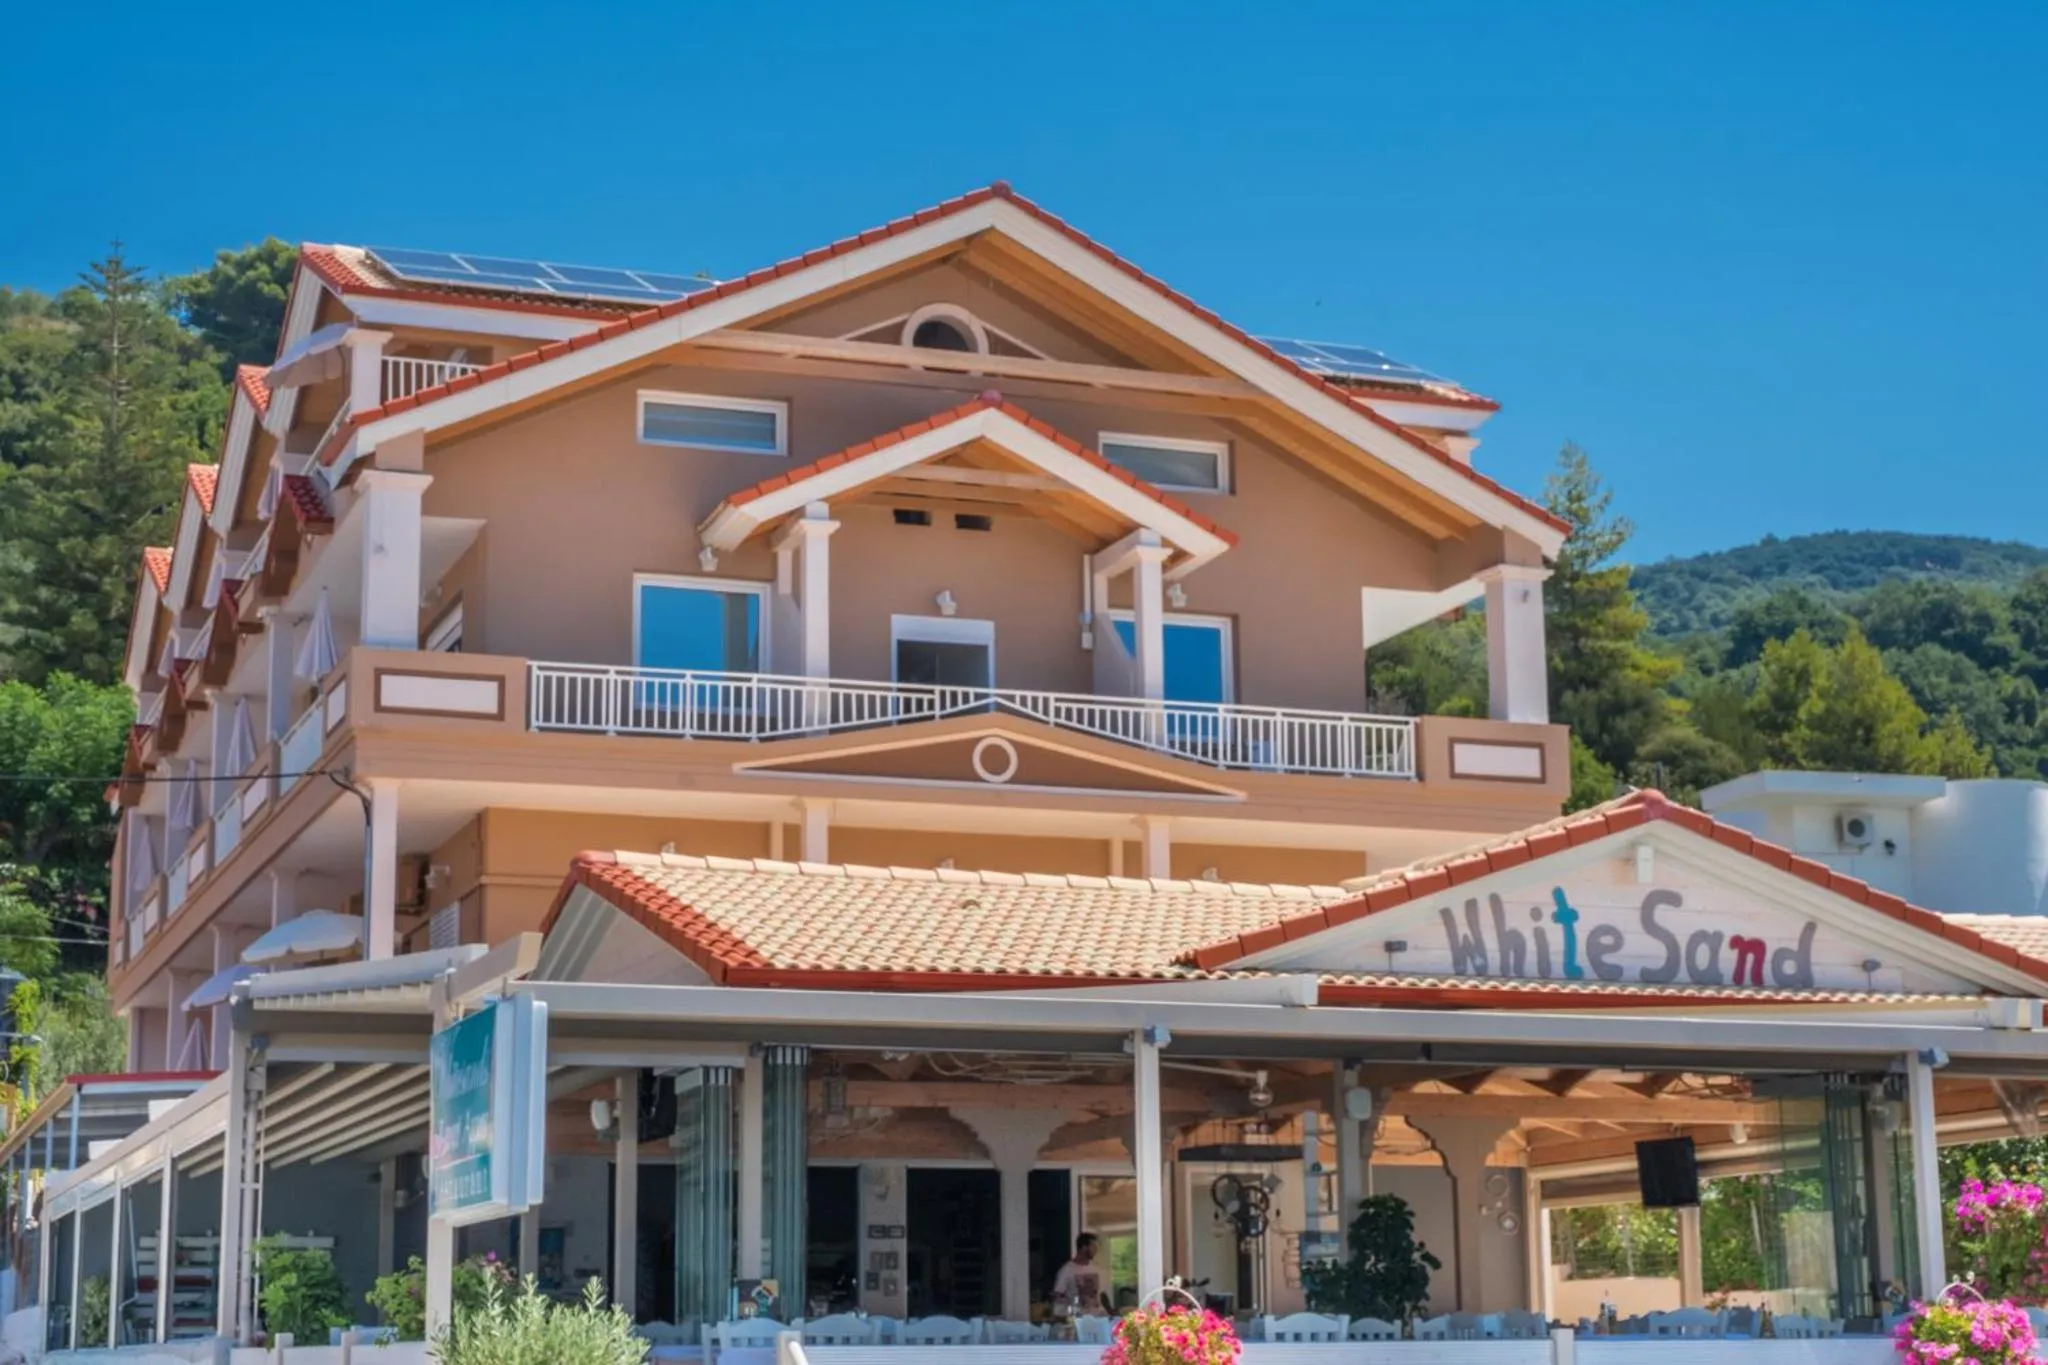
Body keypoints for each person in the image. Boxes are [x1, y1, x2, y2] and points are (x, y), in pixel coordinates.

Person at [1051, 1233, 1111, 1315]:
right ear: (1083, 1247)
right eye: (1093, 1247)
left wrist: (1109, 1312)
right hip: (1080, 1319)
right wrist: (1067, 1312)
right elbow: (1057, 1296)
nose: (1096, 1250)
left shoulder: (1096, 1269)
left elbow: (1101, 1294)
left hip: (1099, 1318)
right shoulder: (1067, 1271)